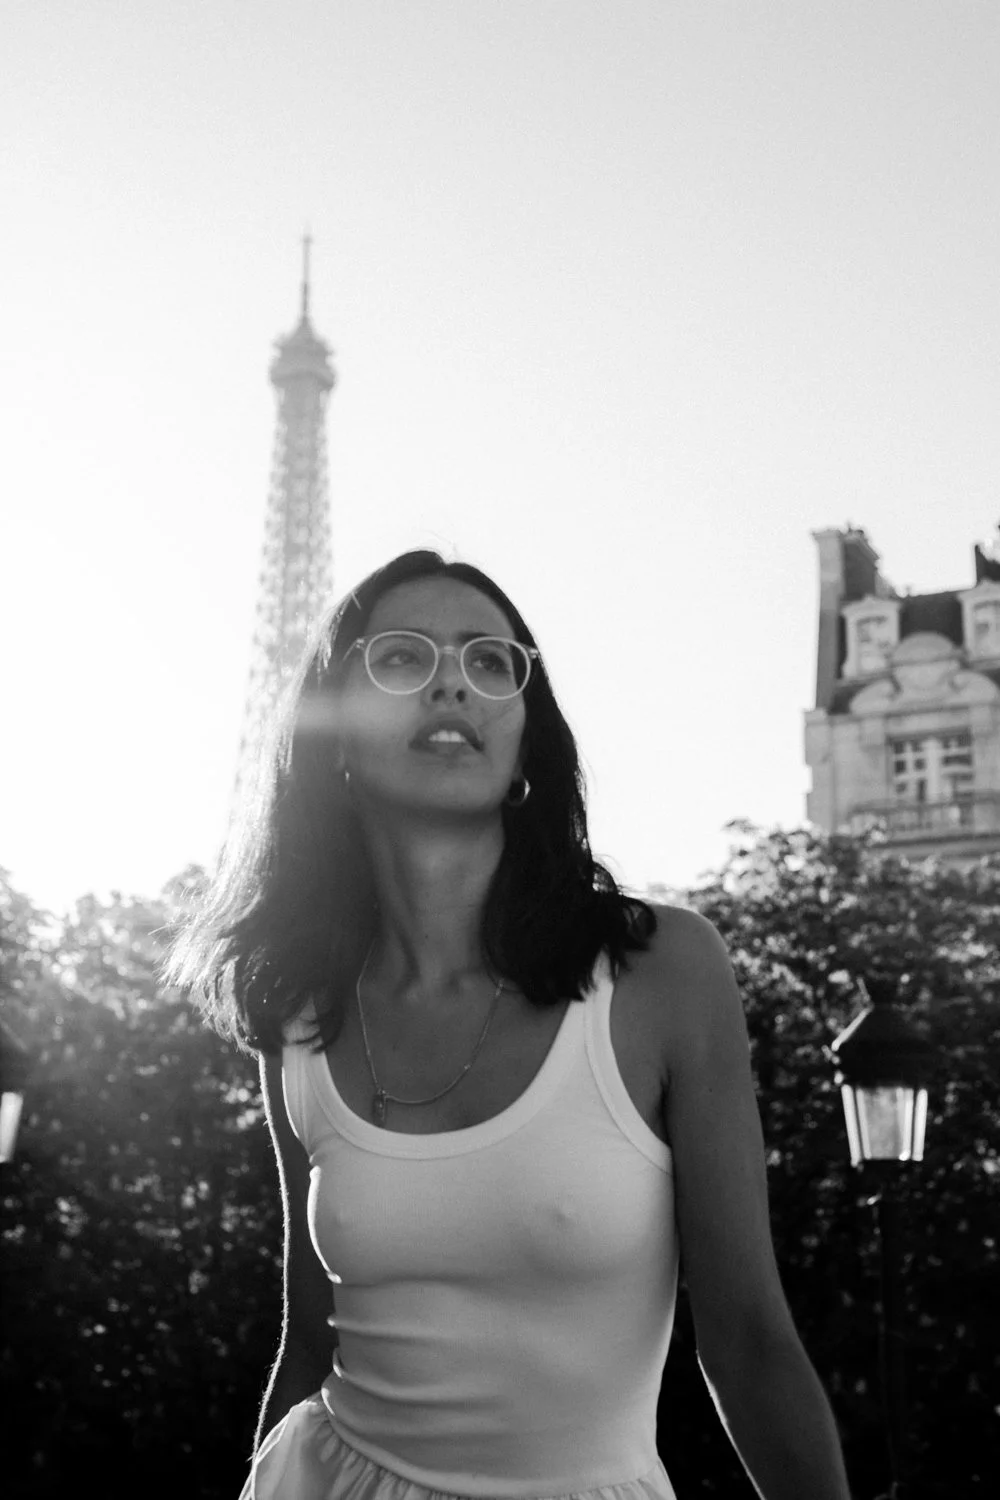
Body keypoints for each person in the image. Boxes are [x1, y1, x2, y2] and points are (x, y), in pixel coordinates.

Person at [168, 549, 853, 1500]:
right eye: (402, 660)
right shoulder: (297, 1007)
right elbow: (307, 1332)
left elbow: (748, 1339)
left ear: (528, 739)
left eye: (492, 662)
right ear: (333, 735)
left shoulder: (664, 971)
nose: (454, 680)